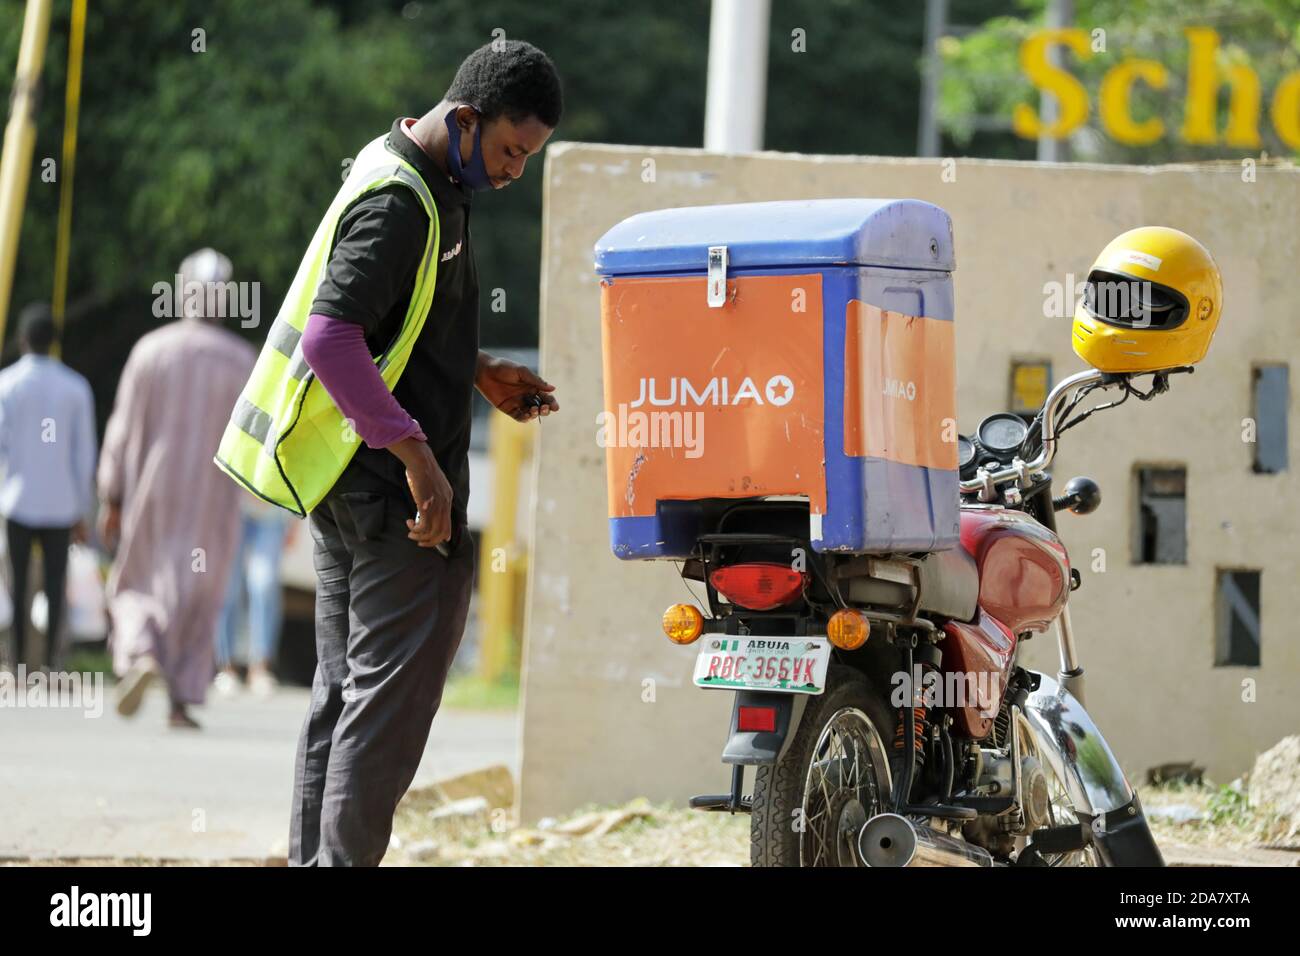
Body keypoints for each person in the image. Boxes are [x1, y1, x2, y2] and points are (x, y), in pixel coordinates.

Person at [214, 40, 562, 865]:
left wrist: (474, 372)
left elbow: (389, 329)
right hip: (389, 501)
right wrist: (418, 458)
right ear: (467, 121)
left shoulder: (418, 173)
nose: (516, 172)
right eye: (512, 150)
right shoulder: (403, 202)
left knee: (343, 703)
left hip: (351, 490)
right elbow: (334, 339)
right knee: (381, 717)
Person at [99, 249, 256, 728]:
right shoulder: (242, 361)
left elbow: (122, 430)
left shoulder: (150, 351)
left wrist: (112, 495)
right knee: (199, 590)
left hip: (153, 493)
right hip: (216, 497)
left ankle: (140, 652)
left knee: (139, 581)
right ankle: (181, 700)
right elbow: (258, 440)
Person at [0, 304, 97, 671]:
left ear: (22, 339)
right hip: (61, 504)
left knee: (17, 586)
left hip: (16, 500)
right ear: (54, 342)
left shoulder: (6, 384)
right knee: (55, 586)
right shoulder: (75, 387)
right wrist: (84, 509)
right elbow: (84, 454)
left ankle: (17, 662)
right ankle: (51, 664)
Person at [214, 495, 292, 697]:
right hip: (233, 508)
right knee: (228, 589)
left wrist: (295, 518)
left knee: (264, 584)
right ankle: (226, 668)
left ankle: (260, 668)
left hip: (275, 509)